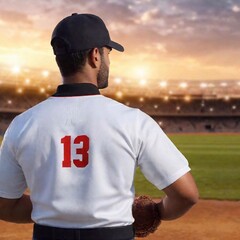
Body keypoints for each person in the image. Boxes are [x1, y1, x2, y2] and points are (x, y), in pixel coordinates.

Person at [0, 13, 198, 240]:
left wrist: (53, 213)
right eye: (108, 53)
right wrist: (156, 212)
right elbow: (186, 195)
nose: (108, 61)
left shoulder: (22, 124)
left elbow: (5, 204)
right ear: (95, 56)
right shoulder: (132, 120)